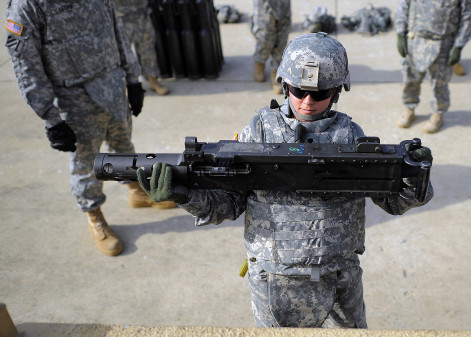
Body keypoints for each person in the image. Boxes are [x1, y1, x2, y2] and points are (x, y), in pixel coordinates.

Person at [136, 32, 434, 328]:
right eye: (297, 90)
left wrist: (414, 174)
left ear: (337, 91)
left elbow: (394, 201)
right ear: (283, 85)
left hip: (338, 280)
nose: (307, 102)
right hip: (272, 280)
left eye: (320, 93)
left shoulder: (350, 137)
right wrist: (184, 195)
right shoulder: (258, 133)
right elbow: (227, 204)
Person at [4, 0, 174, 257]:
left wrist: (133, 79)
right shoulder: (27, 2)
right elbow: (27, 66)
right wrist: (50, 117)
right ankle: (94, 213)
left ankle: (135, 190)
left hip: (113, 86)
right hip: (75, 98)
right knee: (87, 163)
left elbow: (116, 32)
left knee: (124, 144)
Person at [396, 0, 471, 134]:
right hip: (416, 40)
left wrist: (458, 46)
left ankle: (438, 113)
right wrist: (400, 33)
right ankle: (409, 108)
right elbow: (404, 4)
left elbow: (468, 15)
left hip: (443, 43)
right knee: (411, 79)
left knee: (440, 83)